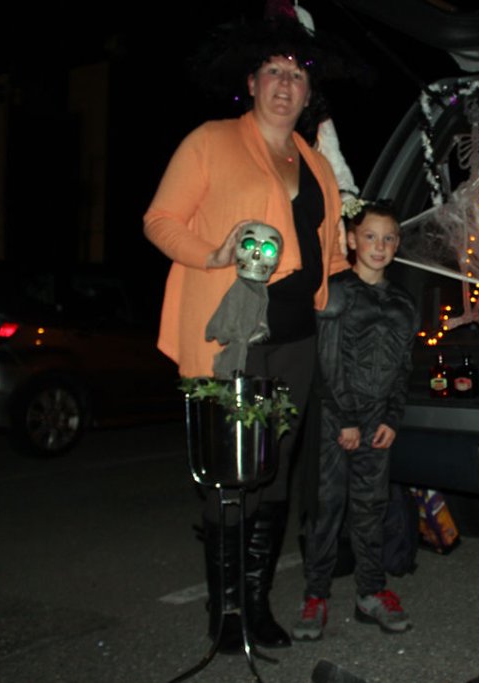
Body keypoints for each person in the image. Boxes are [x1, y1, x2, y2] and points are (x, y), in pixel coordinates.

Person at [143, 15, 349, 653]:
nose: (286, 86)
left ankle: (257, 606)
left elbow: (328, 250)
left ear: (308, 91)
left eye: (297, 76)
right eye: (274, 74)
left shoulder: (314, 162)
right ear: (252, 82)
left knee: (276, 472)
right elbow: (160, 220)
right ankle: (226, 613)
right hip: (235, 335)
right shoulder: (211, 141)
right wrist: (212, 253)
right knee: (231, 472)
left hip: (295, 337)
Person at [292, 198, 419, 641]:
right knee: (327, 507)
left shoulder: (404, 302)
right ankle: (316, 594)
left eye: (388, 238)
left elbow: (403, 367)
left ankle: (370, 592)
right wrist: (345, 419)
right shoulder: (336, 290)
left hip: (378, 421)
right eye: (369, 236)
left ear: (397, 244)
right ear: (351, 240)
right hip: (335, 418)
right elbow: (325, 362)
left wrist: (392, 418)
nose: (379, 246)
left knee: (371, 509)